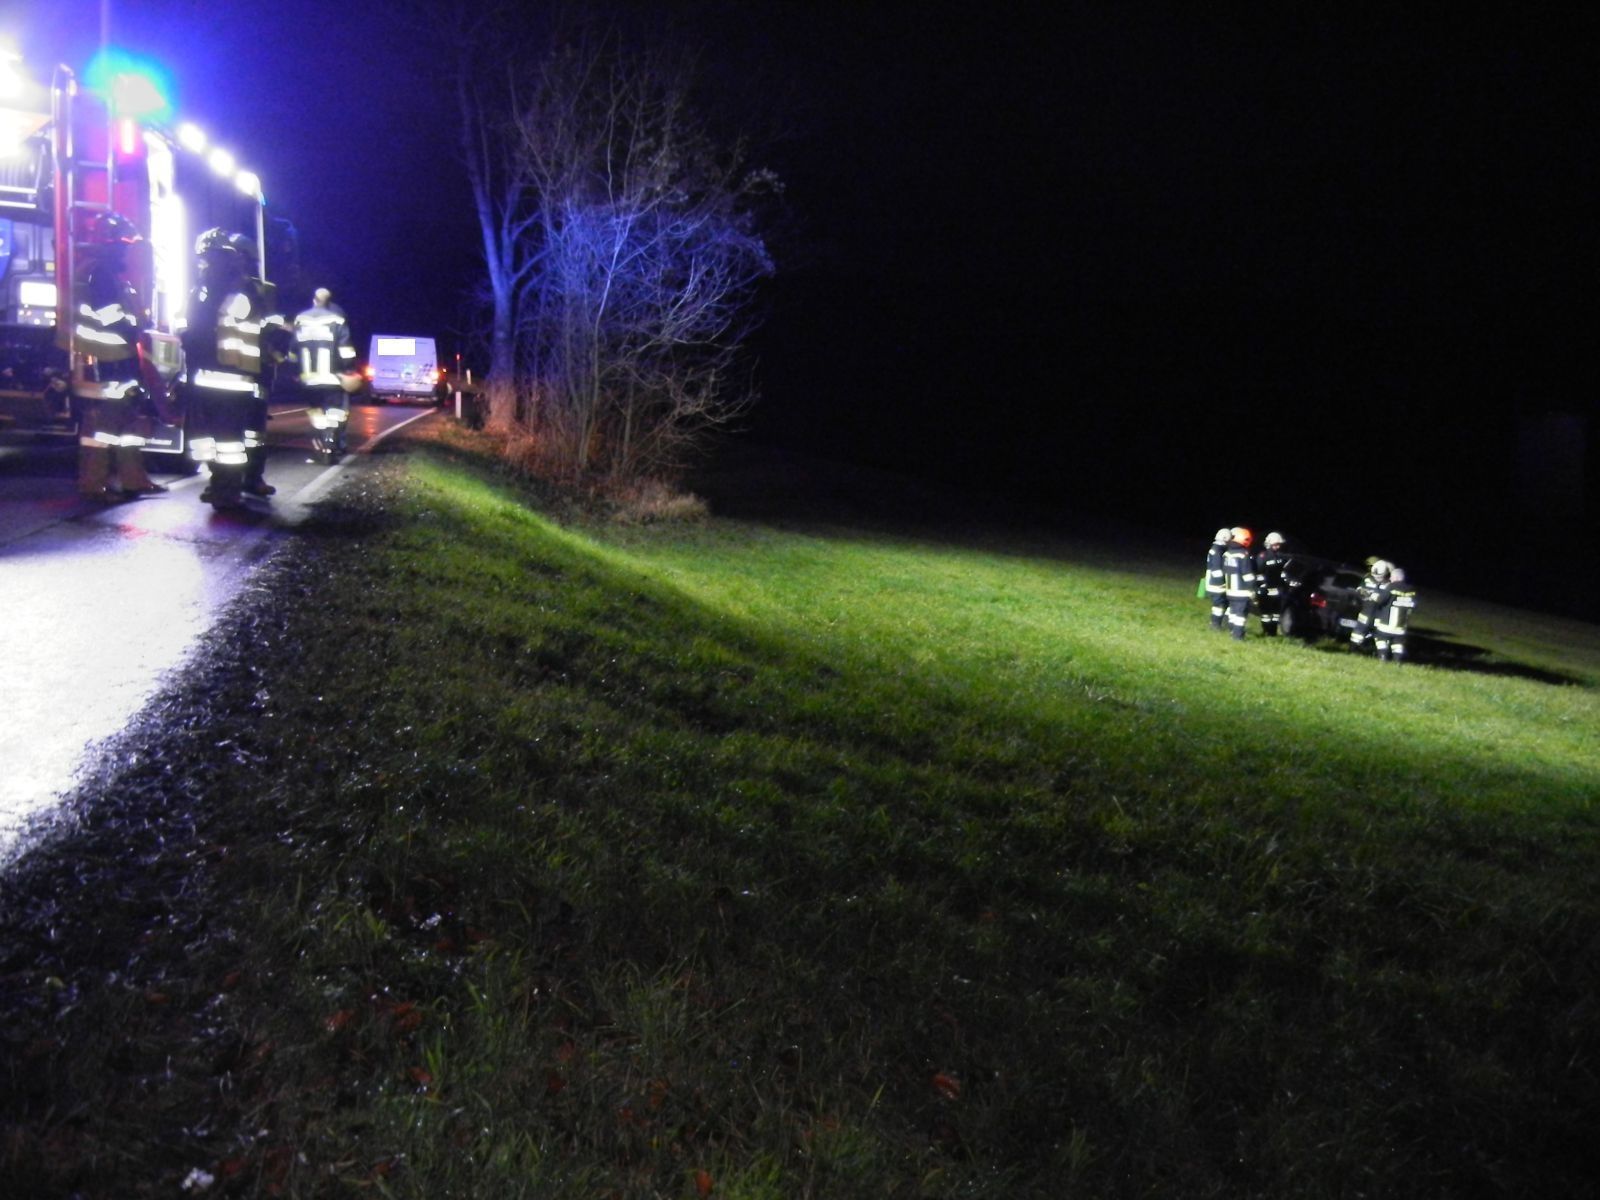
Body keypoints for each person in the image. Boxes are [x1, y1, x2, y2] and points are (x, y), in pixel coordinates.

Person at [71, 217, 166, 501]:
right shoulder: (100, 273)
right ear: (110, 244)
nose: (127, 251)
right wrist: (132, 326)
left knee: (127, 423)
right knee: (104, 428)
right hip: (108, 358)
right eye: (124, 245)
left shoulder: (105, 272)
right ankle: (93, 483)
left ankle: (133, 479)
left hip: (117, 356)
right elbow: (108, 314)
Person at [181, 228, 266, 509]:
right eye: (203, 258)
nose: (204, 264)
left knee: (229, 442)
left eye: (209, 258)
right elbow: (187, 326)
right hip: (206, 376)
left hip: (232, 377)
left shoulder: (240, 290)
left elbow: (211, 324)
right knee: (212, 439)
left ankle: (228, 492)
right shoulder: (203, 291)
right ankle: (219, 485)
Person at [292, 286, 357, 461]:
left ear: (314, 300)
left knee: (316, 413)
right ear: (329, 302)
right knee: (334, 413)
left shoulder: (301, 319)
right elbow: (346, 350)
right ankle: (331, 446)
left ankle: (320, 448)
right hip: (332, 378)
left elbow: (293, 350)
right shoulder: (337, 319)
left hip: (309, 379)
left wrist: (294, 369)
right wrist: (349, 369)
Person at [1371, 567, 1418, 664]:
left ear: (1396, 577)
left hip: (1386, 624)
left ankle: (1383, 657)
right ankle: (1397, 661)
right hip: (1401, 626)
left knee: (1380, 638)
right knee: (1398, 643)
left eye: (1391, 577)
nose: (1391, 579)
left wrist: (1373, 596)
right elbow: (1414, 605)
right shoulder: (1411, 590)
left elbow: (1381, 600)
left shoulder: (1391, 587)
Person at [1222, 527, 1257, 640]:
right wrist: (1252, 588)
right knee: (1240, 615)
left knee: (1233, 612)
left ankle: (1231, 630)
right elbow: (1247, 574)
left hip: (1230, 590)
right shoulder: (1243, 554)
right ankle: (1237, 636)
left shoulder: (1227, 554)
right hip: (1242, 591)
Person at [1349, 559, 1391, 651]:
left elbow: (1388, 599)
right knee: (1357, 634)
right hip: (1366, 611)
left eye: (1379, 576)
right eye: (1375, 576)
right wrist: (1362, 592)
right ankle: (1352, 650)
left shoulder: (1390, 583)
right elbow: (1359, 588)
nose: (1377, 578)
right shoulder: (1367, 577)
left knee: (1379, 636)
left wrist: (1376, 597)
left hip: (1380, 614)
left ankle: (1377, 653)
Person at [1254, 531, 1290, 635]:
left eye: (1279, 544)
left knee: (1275, 613)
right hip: (1265, 589)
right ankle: (1266, 631)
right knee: (1266, 613)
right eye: (1275, 544)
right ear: (1269, 544)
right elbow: (1259, 572)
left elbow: (1283, 573)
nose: (1277, 546)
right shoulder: (1262, 556)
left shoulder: (1281, 557)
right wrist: (1262, 586)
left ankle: (1273, 632)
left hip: (1277, 590)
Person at [1205, 527, 1230, 631]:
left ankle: (1218, 623)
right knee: (1219, 605)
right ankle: (1215, 624)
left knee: (1222, 604)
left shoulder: (1216, 549)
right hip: (1216, 584)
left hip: (1215, 583)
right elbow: (1216, 569)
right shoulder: (1217, 551)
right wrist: (1222, 582)